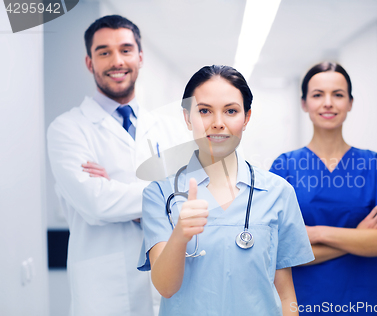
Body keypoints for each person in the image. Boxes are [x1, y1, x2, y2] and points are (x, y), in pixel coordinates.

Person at [137, 65, 314, 316]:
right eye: (205, 111)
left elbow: (286, 294)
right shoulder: (160, 194)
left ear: (247, 117)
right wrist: (180, 235)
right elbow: (165, 287)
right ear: (187, 118)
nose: (218, 123)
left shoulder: (278, 193)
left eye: (231, 111)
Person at [47, 15, 184, 316]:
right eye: (104, 52)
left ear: (140, 56)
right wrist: (161, 196)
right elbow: (97, 204)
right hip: (104, 292)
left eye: (125, 49)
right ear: (89, 62)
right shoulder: (67, 129)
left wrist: (119, 192)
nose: (116, 60)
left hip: (170, 282)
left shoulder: (171, 130)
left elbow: (189, 201)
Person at [270, 62, 377, 315]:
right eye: (318, 95)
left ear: (350, 103)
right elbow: (277, 249)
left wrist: (317, 233)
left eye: (338, 95)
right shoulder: (285, 166)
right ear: (304, 103)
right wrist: (359, 236)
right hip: (303, 302)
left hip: (360, 302)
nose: (328, 103)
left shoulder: (374, 165)